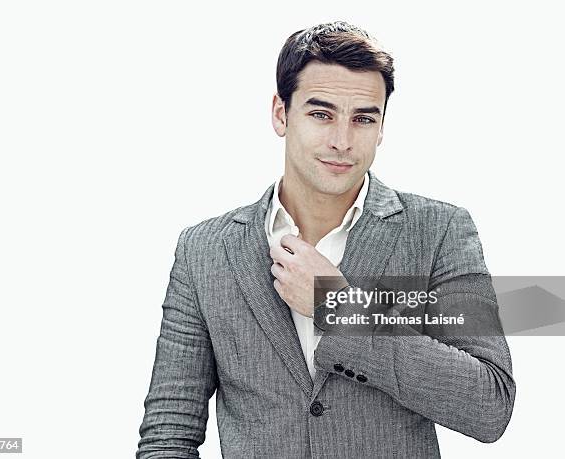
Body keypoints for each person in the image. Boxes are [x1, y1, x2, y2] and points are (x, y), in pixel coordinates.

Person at [136, 21, 515, 458]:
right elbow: (168, 434)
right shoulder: (204, 250)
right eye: (321, 114)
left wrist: (338, 307)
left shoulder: (439, 231)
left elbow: (490, 406)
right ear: (281, 113)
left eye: (363, 119)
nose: (341, 141)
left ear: (381, 127)